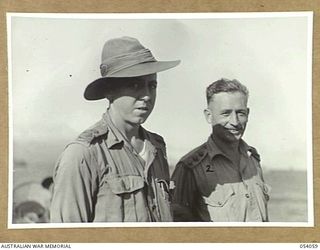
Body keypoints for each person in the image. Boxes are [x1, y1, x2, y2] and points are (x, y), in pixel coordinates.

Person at [50, 36, 180, 222]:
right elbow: (68, 237)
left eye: (152, 85)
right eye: (134, 85)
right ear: (109, 91)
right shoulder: (83, 154)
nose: (146, 96)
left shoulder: (156, 147)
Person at [171, 78, 270, 222]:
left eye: (240, 113)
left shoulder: (253, 160)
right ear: (209, 116)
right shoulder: (190, 167)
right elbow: (180, 231)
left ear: (248, 114)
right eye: (226, 113)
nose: (235, 122)